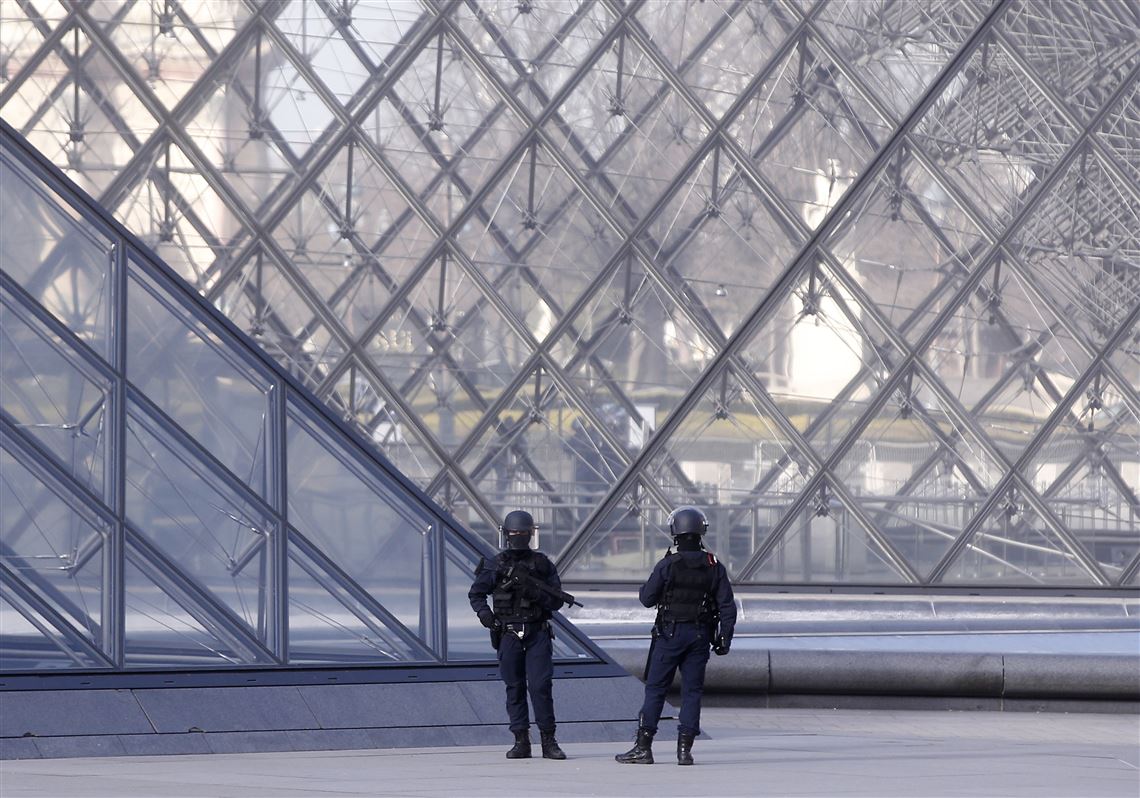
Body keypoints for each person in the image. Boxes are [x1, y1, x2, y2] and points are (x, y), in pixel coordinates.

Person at [615, 505, 736, 766]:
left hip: (669, 634)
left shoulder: (668, 564)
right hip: (700, 635)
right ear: (700, 531)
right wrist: (725, 638)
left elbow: (647, 599)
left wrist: (644, 589)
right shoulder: (714, 566)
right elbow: (727, 605)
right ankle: (684, 750)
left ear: (675, 533)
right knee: (692, 692)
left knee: (656, 690)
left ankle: (643, 748)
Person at [469, 509, 567, 760]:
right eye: (515, 533)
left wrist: (536, 594)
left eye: (523, 533)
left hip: (537, 632)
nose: (519, 537)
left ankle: (549, 740)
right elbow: (476, 594)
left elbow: (556, 600)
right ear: (507, 535)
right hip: (508, 633)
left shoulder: (542, 564)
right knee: (514, 687)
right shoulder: (495, 564)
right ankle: (521, 740)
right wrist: (485, 615)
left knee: (540, 686)